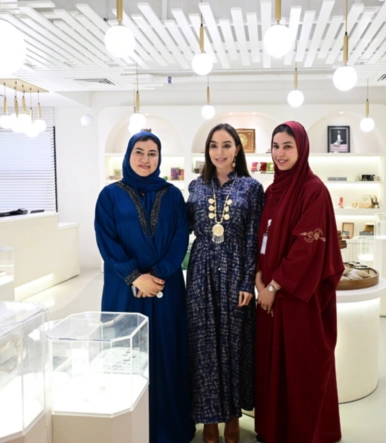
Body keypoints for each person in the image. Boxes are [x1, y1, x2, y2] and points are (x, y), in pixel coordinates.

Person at [95, 131, 195, 443]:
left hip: (166, 290)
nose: (145, 159)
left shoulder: (173, 195)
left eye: (152, 153)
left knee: (166, 353)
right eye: (139, 151)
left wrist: (158, 276)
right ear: (128, 155)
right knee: (126, 353)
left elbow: (180, 239)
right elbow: (107, 241)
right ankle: (128, 428)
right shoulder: (109, 196)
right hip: (124, 290)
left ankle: (168, 427)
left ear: (160, 158)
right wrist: (135, 277)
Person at [254, 121, 344, 443]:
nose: (280, 153)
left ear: (302, 149)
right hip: (269, 297)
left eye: (288, 146)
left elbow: (307, 248)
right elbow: (262, 238)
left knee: (299, 367)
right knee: (272, 366)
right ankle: (274, 430)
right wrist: (259, 279)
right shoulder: (272, 191)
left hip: (297, 299)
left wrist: (274, 287)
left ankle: (302, 434)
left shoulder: (313, 190)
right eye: (276, 146)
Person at [186, 123, 265, 443]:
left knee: (235, 346)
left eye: (227, 145)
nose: (220, 152)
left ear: (237, 150)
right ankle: (209, 418)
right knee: (203, 345)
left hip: (235, 270)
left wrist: (248, 282)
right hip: (201, 270)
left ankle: (232, 415)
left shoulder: (251, 187)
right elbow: (184, 228)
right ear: (207, 150)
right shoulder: (195, 186)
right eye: (214, 145)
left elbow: (253, 237)